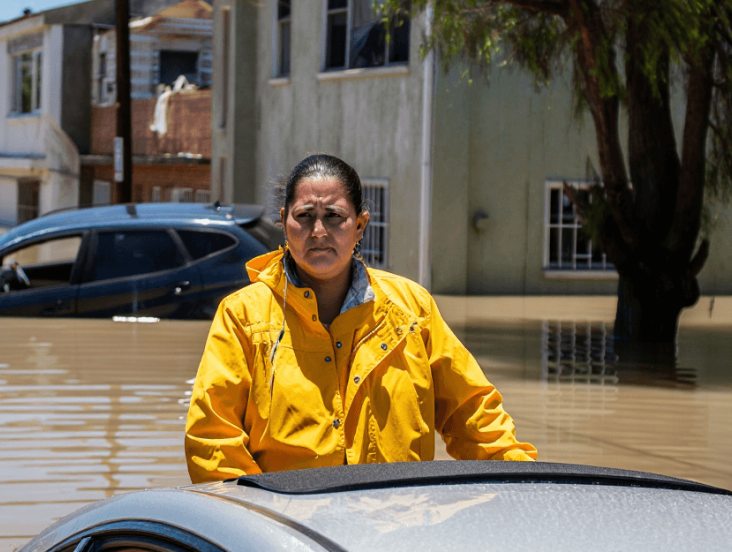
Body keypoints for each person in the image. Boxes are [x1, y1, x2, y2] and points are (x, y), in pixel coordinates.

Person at [185, 154, 536, 482]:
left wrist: (526, 483)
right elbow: (212, 439)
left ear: (360, 225)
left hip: (397, 520)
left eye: (334, 216)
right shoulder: (242, 316)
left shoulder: (413, 310)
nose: (318, 231)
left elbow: (473, 417)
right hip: (286, 523)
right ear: (284, 222)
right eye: (304, 216)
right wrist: (266, 515)